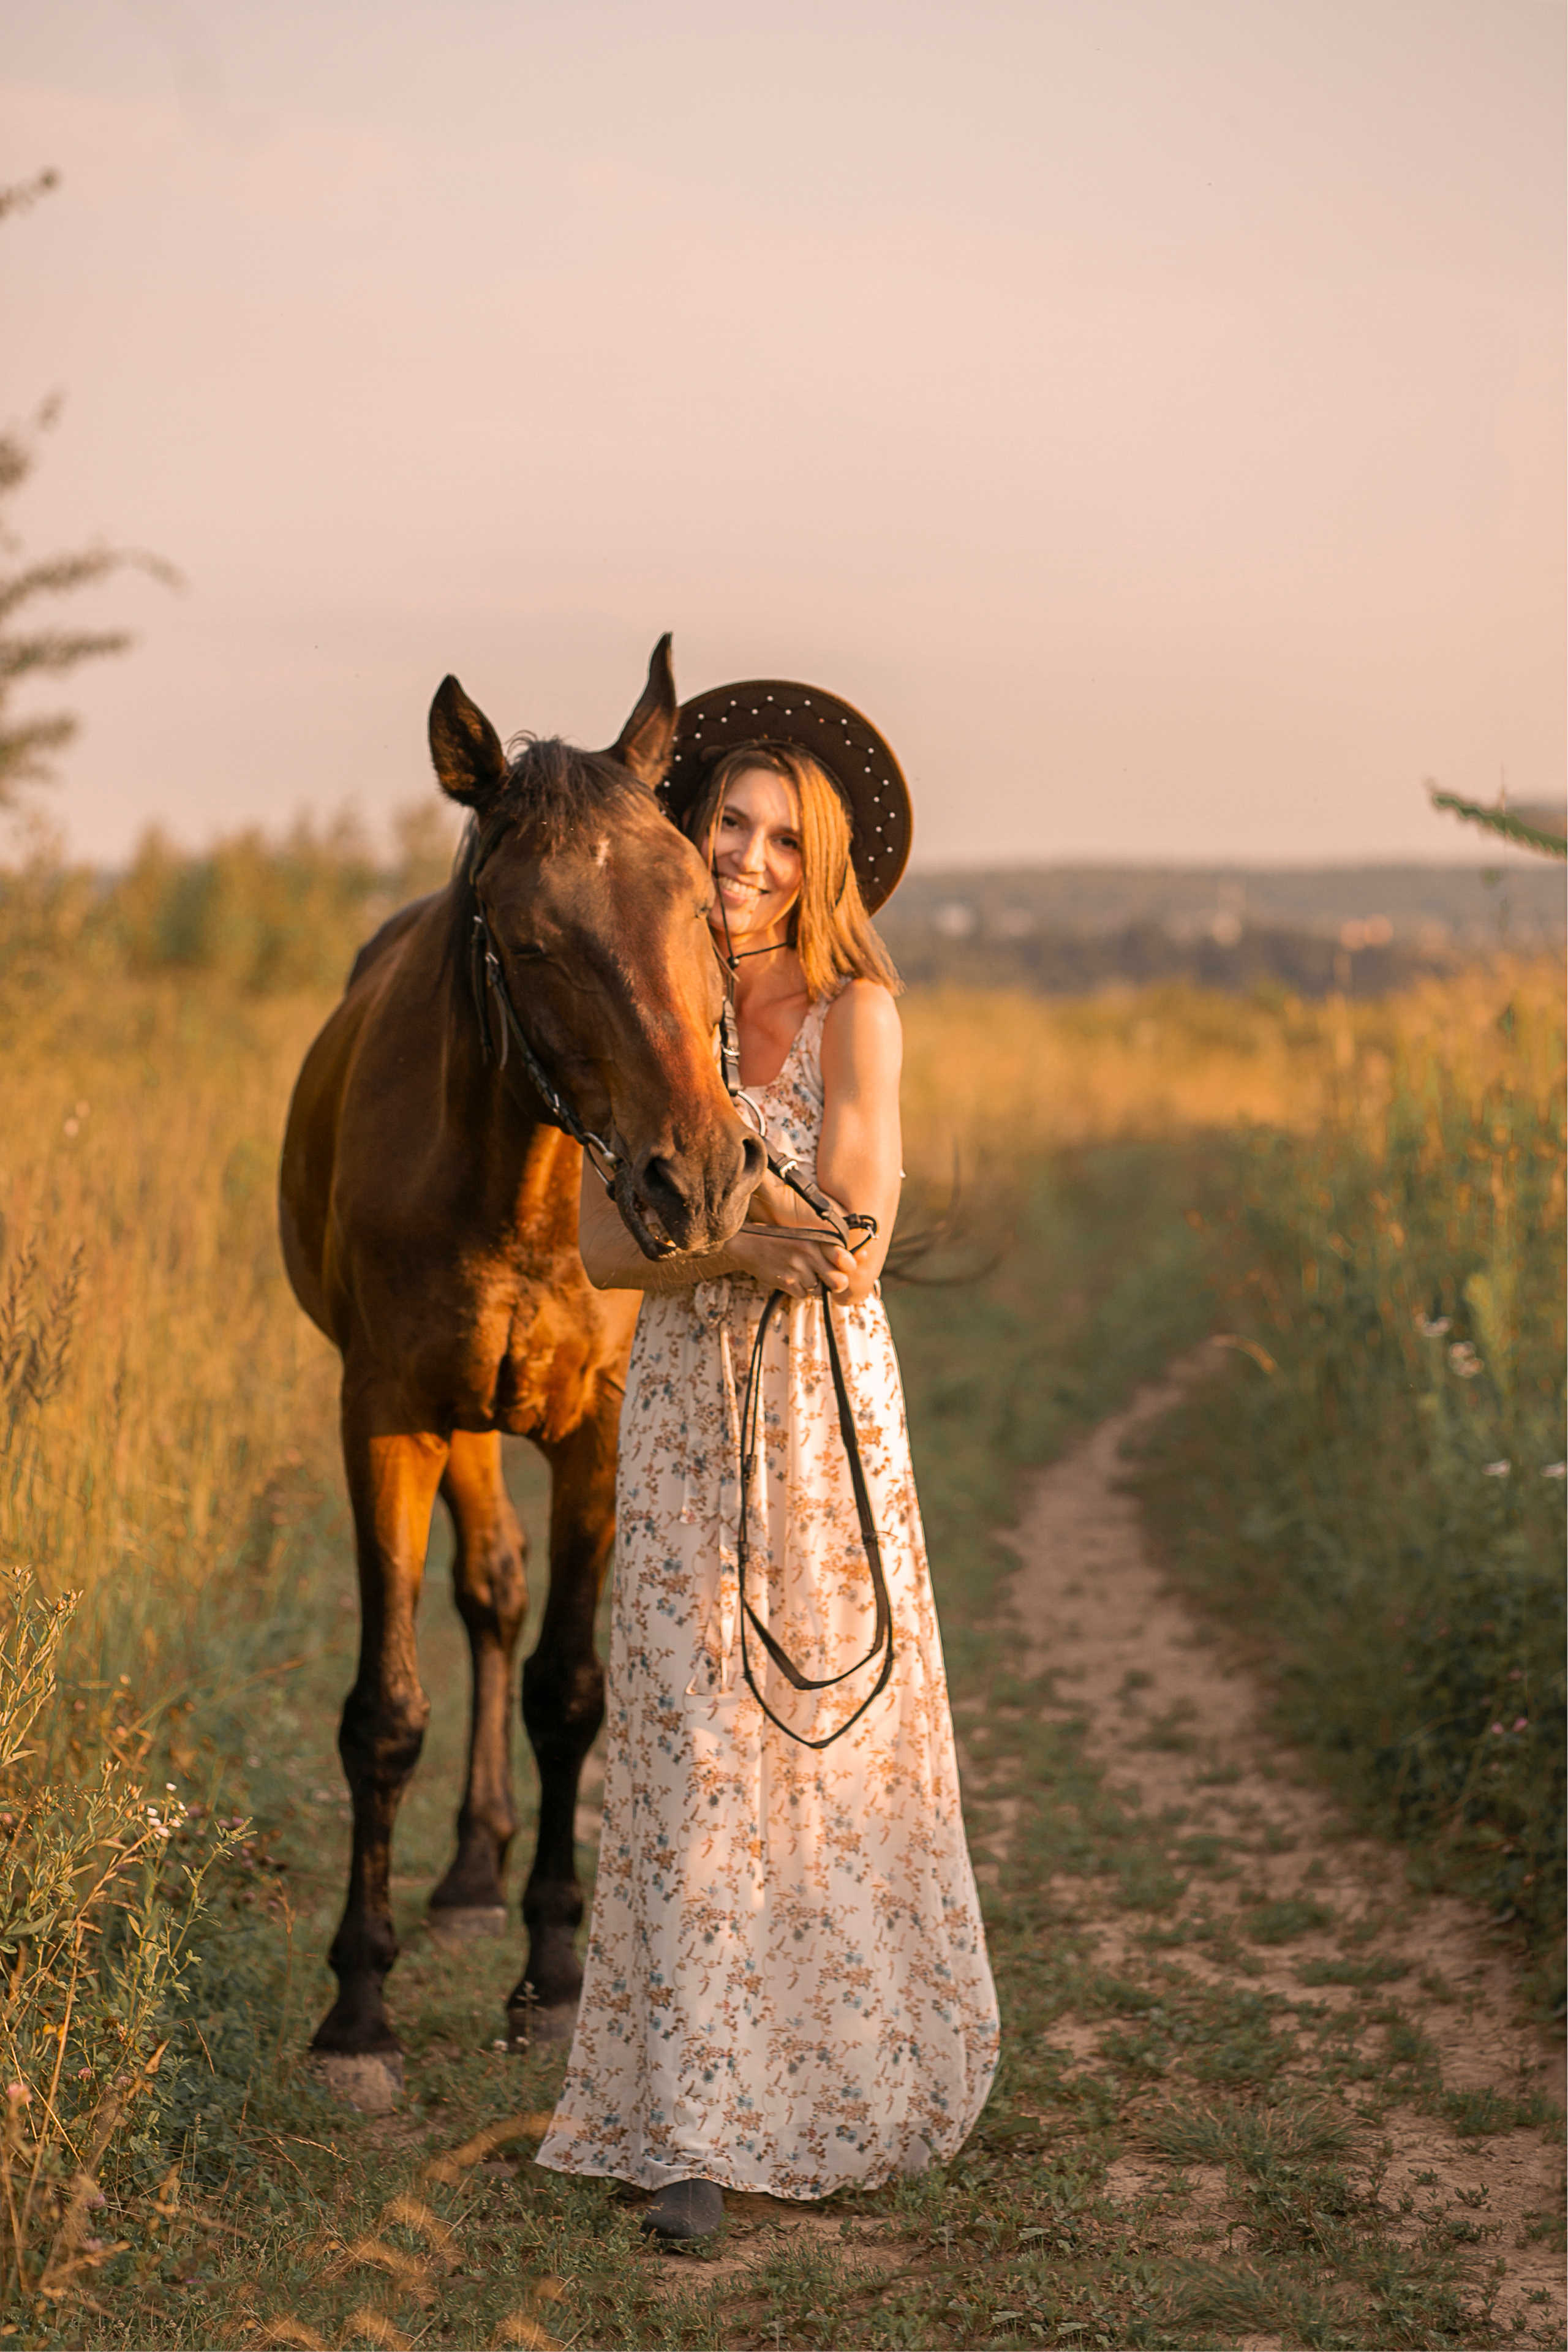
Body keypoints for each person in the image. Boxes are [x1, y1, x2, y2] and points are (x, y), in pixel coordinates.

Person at [535, 681, 1000, 2240]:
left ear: (822, 865)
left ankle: (840, 2076)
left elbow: (854, 1247)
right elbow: (605, 1248)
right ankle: (688, 2122)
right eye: (726, 824)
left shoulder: (860, 1009)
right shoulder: (649, 1014)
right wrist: (746, 1248)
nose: (743, 857)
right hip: (681, 1404)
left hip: (819, 1411)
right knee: (683, 1734)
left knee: (818, 1727)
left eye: (778, 839)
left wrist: (717, 1225)